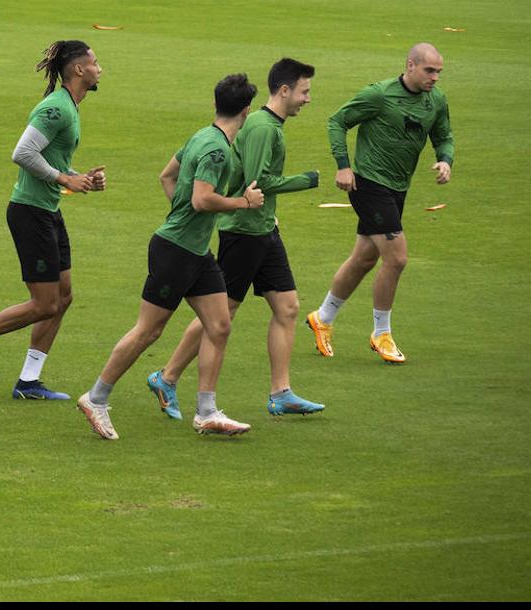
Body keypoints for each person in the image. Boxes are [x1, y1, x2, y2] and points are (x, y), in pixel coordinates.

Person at [77, 74, 265, 440]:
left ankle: (207, 412)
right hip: (176, 251)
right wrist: (243, 202)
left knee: (220, 324)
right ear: (246, 111)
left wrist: (184, 218)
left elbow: (168, 175)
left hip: (193, 251)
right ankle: (95, 398)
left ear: (216, 105)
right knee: (148, 330)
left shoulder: (201, 135)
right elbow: (201, 199)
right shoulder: (216, 150)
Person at [148, 59, 324, 421]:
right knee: (220, 315)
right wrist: (307, 180)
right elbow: (258, 183)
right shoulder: (261, 128)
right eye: (305, 91)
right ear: (285, 90)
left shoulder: (269, 125)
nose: (308, 99)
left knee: (288, 307)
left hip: (264, 230)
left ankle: (281, 393)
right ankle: (166, 377)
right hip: (243, 232)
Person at [0, 41, 104, 400]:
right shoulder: (56, 108)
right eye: (95, 62)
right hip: (30, 213)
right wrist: (65, 180)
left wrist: (82, 178)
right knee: (44, 303)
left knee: (63, 297)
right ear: (79, 69)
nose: (99, 68)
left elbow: (52, 161)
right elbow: (22, 153)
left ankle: (29, 382)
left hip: (47, 210)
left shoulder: (72, 107)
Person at [306, 43, 454, 364]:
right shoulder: (379, 95)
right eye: (430, 70)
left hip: (398, 188)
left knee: (364, 258)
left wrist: (445, 160)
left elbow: (443, 135)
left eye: (439, 72)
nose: (435, 78)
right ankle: (381, 333)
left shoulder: (436, 101)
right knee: (397, 258)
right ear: (410, 65)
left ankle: (323, 317)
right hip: (369, 184)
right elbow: (337, 121)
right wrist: (343, 165)